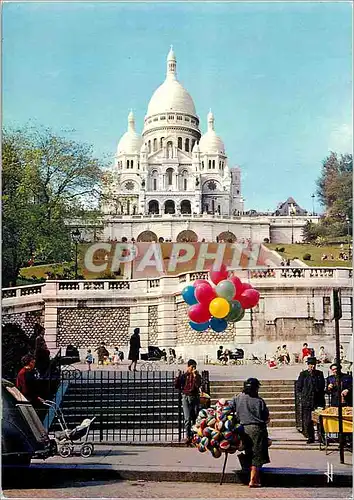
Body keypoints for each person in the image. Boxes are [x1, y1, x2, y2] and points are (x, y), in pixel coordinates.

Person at [230, 378, 270, 488]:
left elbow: (228, 407)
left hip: (242, 429)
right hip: (257, 430)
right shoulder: (259, 401)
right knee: (256, 455)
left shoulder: (238, 397)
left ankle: (248, 473)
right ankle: (254, 480)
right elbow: (266, 417)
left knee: (248, 452)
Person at [296, 357, 325, 443]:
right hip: (307, 401)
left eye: (313, 364)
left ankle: (321, 437)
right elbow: (299, 387)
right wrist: (304, 396)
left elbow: (322, 386)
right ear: (308, 365)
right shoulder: (303, 374)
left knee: (320, 420)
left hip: (318, 400)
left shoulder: (319, 374)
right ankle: (310, 437)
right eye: (310, 364)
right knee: (308, 420)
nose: (312, 366)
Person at [174, 359, 202, 445]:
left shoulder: (197, 376)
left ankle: (194, 436)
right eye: (192, 367)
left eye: (195, 367)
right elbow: (177, 386)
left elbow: (198, 385)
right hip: (186, 397)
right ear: (188, 367)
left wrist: (195, 376)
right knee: (187, 418)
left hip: (194, 397)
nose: (193, 368)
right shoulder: (184, 376)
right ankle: (188, 436)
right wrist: (177, 377)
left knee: (195, 417)